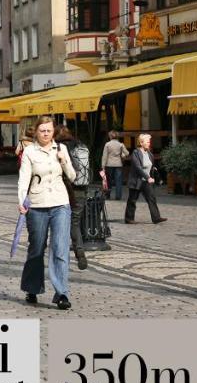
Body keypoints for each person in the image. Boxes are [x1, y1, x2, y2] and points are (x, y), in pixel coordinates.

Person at [18, 115, 77, 310]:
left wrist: (64, 161)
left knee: (60, 248)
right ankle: (32, 287)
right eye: (42, 130)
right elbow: (23, 179)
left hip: (60, 203)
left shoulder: (61, 149)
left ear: (53, 132)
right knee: (37, 247)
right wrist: (21, 201)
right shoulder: (29, 152)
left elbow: (73, 176)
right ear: (36, 131)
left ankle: (62, 293)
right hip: (37, 204)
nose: (45, 133)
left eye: (49, 130)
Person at [56, 126, 91, 271]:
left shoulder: (59, 148)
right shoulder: (81, 145)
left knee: (61, 224)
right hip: (82, 188)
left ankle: (65, 255)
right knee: (76, 222)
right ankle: (80, 253)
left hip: (66, 189)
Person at [124, 133, 167, 226]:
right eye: (147, 142)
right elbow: (138, 167)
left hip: (146, 181)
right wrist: (148, 178)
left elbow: (151, 166)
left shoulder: (149, 154)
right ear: (141, 142)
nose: (149, 143)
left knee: (151, 198)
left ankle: (156, 218)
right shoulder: (136, 153)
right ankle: (129, 218)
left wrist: (154, 175)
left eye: (149, 141)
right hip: (137, 180)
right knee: (132, 200)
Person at [99, 130, 128, 202]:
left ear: (110, 136)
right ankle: (118, 196)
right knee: (118, 181)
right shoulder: (121, 144)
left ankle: (108, 195)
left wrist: (103, 166)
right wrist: (122, 155)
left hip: (109, 164)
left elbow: (104, 156)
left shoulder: (107, 144)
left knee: (108, 180)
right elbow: (127, 153)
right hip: (118, 164)